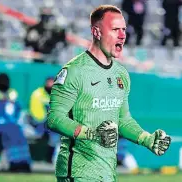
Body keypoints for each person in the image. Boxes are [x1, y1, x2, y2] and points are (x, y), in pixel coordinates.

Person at [47, 5, 171, 182]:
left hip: (107, 173)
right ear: (96, 32)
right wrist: (93, 134)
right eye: (115, 30)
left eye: (124, 30)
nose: (122, 35)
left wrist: (147, 139)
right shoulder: (74, 71)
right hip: (77, 173)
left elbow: (123, 120)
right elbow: (54, 119)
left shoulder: (121, 74)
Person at [24, 7, 90, 63]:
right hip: (37, 60)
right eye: (44, 17)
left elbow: (63, 43)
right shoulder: (34, 29)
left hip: (53, 59)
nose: (46, 20)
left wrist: (57, 47)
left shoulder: (56, 30)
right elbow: (27, 44)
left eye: (48, 17)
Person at [29, 77, 59, 163]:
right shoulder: (37, 94)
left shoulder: (57, 95)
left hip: (50, 124)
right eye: (49, 82)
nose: (50, 85)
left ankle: (50, 159)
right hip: (38, 123)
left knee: (55, 132)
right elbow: (35, 113)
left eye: (52, 82)